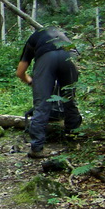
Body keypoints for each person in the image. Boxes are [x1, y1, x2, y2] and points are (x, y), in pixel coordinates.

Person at [16, 26, 82, 158]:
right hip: (70, 56)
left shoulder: (33, 39)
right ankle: (73, 141)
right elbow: (78, 66)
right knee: (69, 99)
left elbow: (20, 72)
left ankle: (37, 148)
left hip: (47, 58)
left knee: (41, 104)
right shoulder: (64, 36)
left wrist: (32, 82)